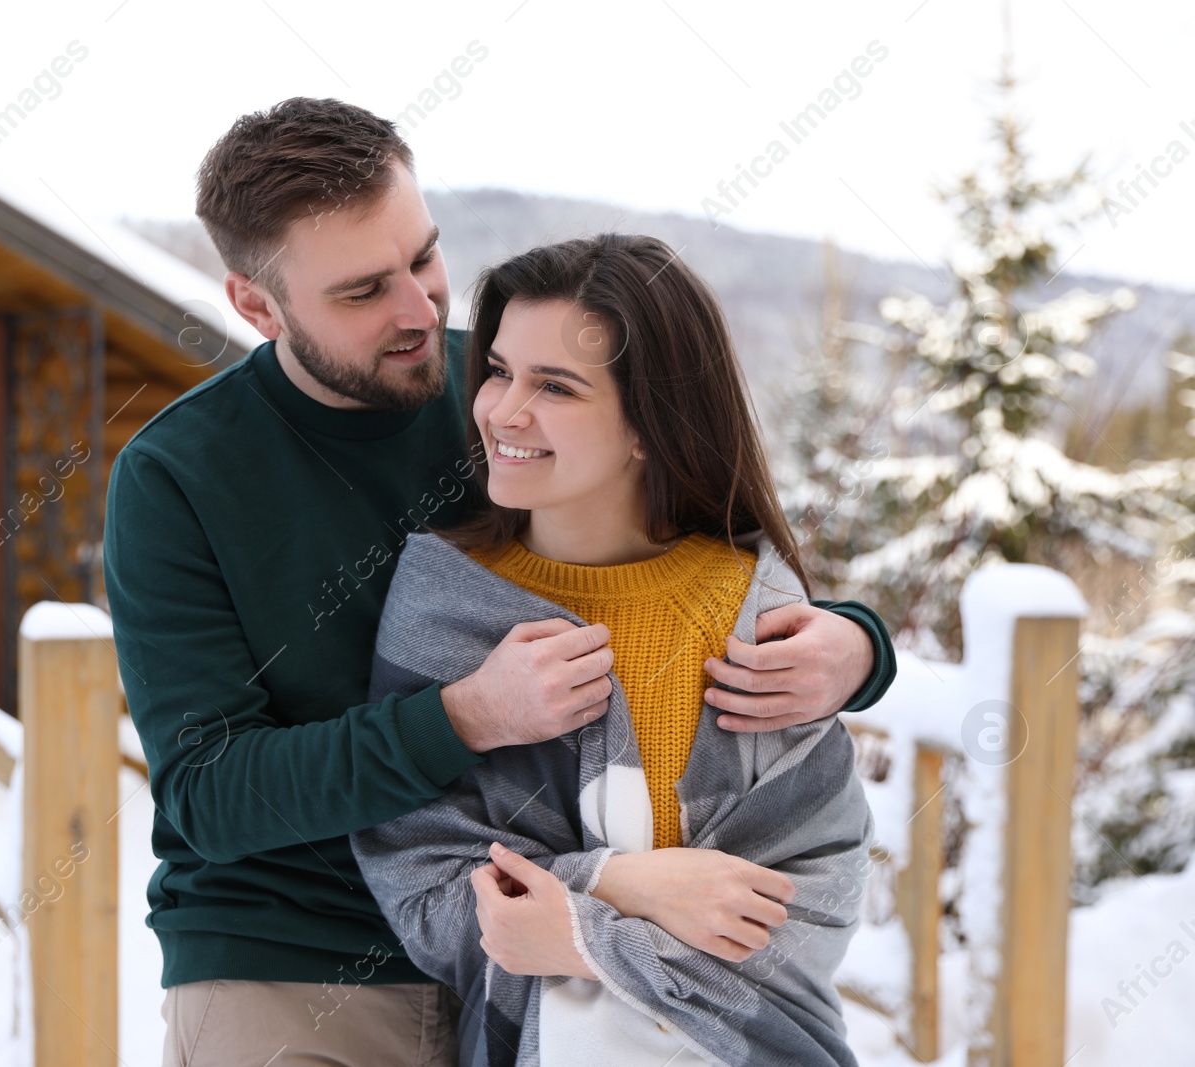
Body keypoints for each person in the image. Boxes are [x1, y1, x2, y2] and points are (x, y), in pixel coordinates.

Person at [100, 98, 895, 1067]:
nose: (419, 310)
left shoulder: (504, 394)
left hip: (546, 960)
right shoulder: (177, 476)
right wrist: (466, 716)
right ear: (257, 305)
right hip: (296, 957)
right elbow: (210, 791)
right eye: (361, 291)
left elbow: (689, 542)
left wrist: (856, 643)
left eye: (423, 258)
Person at [351, 233, 876, 1066]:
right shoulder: (446, 602)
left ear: (648, 427)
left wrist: (584, 935)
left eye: (554, 385)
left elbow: (817, 903)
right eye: (498, 370)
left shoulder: (753, 610)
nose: (503, 411)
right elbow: (421, 881)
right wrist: (622, 887)